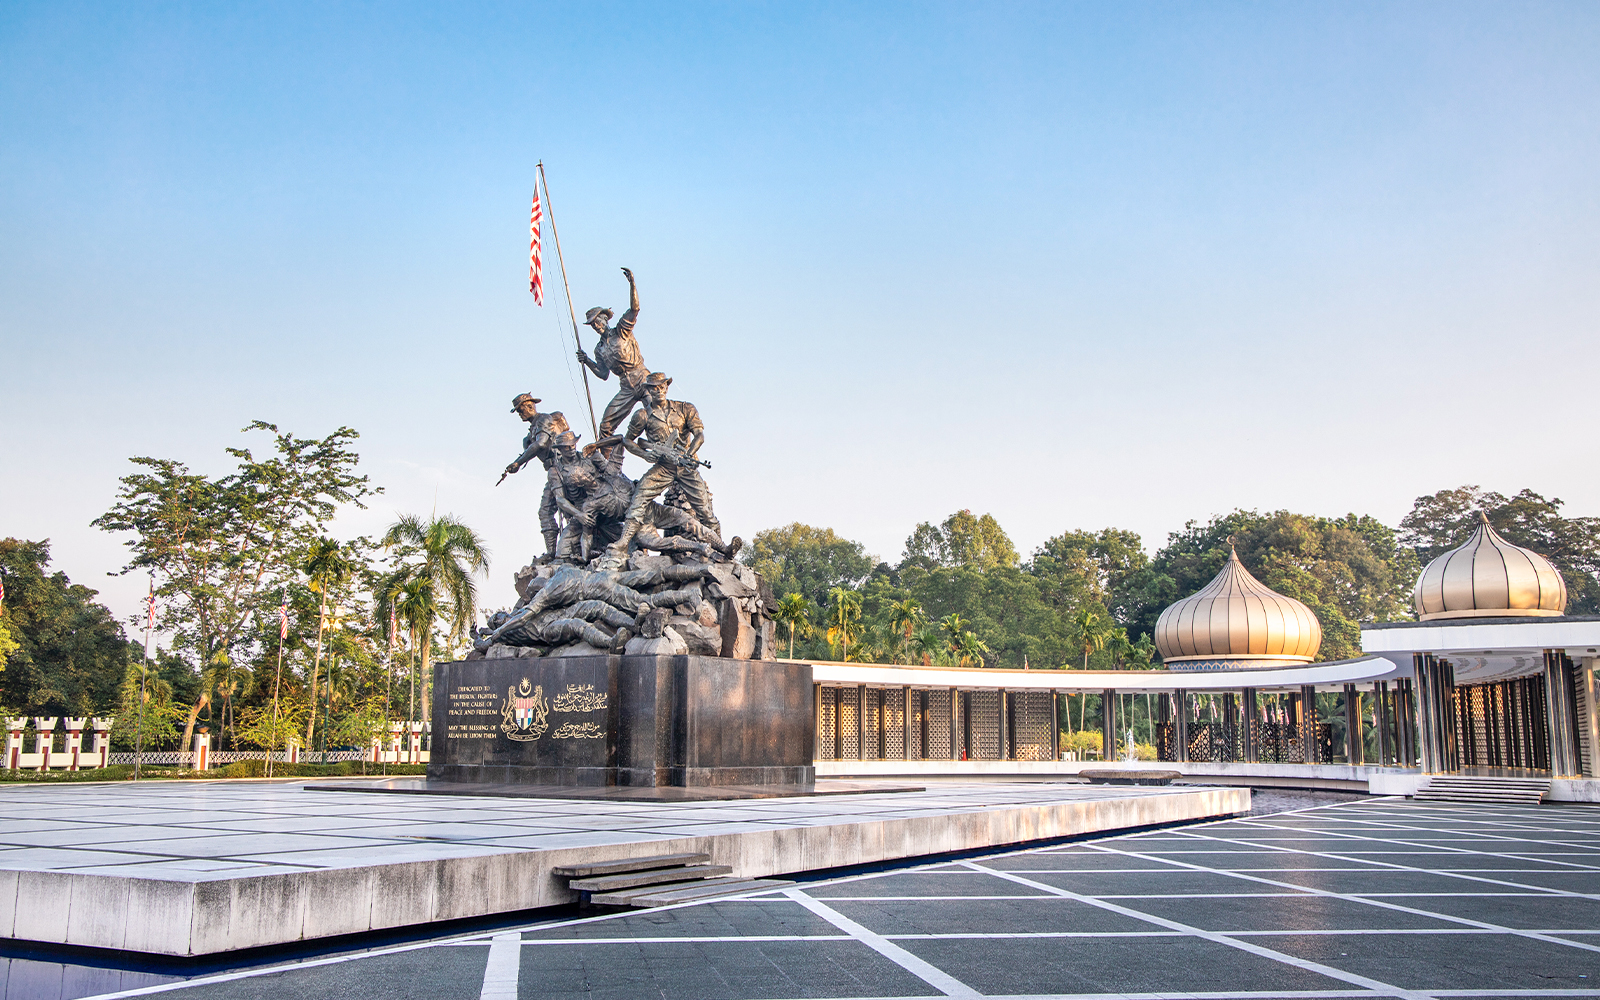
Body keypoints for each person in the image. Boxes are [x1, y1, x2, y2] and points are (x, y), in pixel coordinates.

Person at [600, 372, 723, 567]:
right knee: (639, 497)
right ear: (648, 390)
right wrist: (644, 454)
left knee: (704, 509)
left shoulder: (685, 408)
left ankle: (721, 549)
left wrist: (689, 454)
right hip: (663, 467)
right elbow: (628, 440)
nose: (659, 391)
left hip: (686, 467)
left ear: (667, 387)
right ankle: (623, 543)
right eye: (654, 388)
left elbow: (700, 435)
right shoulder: (642, 415)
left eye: (662, 387)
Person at [575, 267, 650, 466]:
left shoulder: (621, 331)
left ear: (604, 319)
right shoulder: (598, 349)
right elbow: (603, 374)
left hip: (642, 378)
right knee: (606, 425)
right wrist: (587, 361)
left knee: (656, 415)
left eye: (597, 321)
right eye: (592, 325)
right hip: (625, 386)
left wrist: (633, 283)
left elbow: (635, 309)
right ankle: (606, 468)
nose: (595, 326)